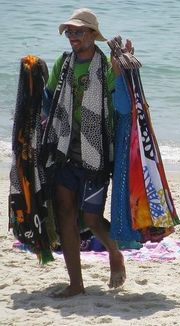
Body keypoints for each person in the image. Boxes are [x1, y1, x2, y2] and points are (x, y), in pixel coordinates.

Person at [41, 8, 129, 298]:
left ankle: (114, 251)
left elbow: (121, 102)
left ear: (93, 35)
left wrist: (121, 70)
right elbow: (50, 99)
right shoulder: (63, 64)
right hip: (65, 149)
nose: (73, 37)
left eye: (79, 31)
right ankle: (76, 283)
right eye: (70, 32)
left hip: (97, 153)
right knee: (66, 213)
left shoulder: (105, 66)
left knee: (91, 219)